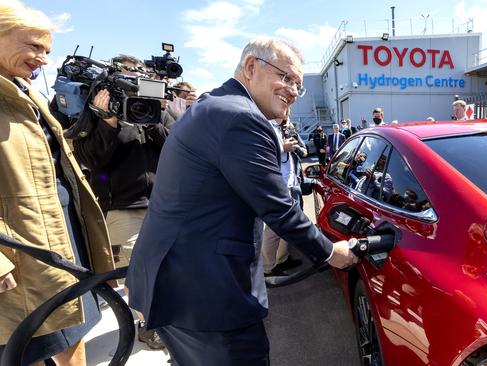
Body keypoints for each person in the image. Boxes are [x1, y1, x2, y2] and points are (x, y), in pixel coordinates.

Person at [125, 37, 358, 365]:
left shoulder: (212, 106)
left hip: (178, 283)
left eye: (298, 86)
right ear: (251, 67)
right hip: (207, 296)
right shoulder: (241, 118)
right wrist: (333, 252)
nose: (292, 90)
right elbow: (277, 207)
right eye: (286, 77)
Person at [0, 2, 114, 365]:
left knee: (72, 328)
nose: (44, 59)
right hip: (20, 249)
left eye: (47, 50)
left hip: (59, 234)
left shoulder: (26, 94)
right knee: (28, 345)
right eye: (34, 46)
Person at [71, 54, 174, 350]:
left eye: (139, 72)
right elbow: (89, 159)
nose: (134, 78)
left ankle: (158, 318)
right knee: (137, 272)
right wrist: (108, 123)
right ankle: (147, 324)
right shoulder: (97, 109)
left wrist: (154, 117)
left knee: (163, 269)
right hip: (124, 208)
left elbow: (176, 146)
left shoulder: (156, 109)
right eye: (128, 72)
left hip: (161, 205)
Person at [262, 115, 307, 277]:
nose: (287, 111)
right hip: (275, 185)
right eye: (285, 107)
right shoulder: (265, 126)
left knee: (288, 226)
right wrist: (282, 147)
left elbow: (303, 150)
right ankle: (268, 268)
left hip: (291, 182)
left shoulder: (289, 128)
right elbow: (257, 152)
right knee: (274, 229)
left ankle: (282, 259)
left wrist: (297, 147)